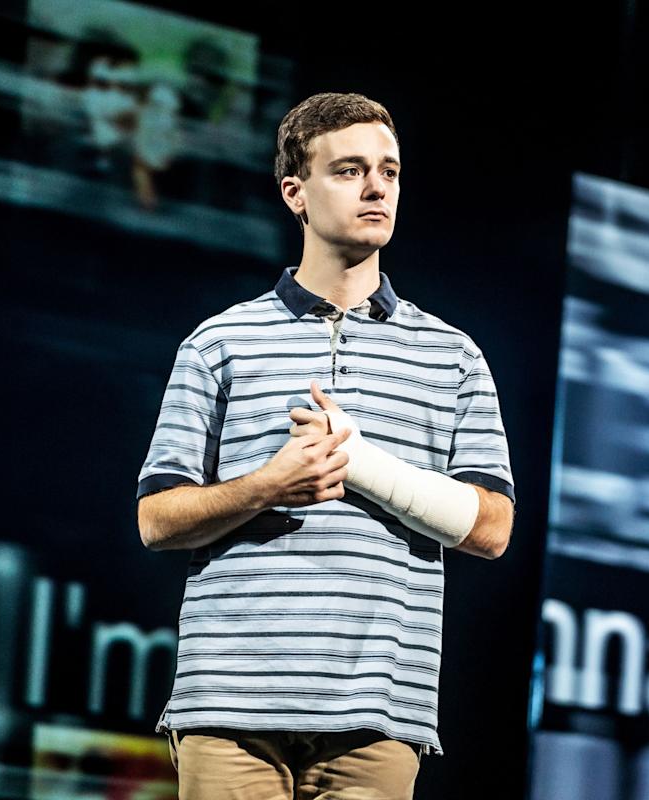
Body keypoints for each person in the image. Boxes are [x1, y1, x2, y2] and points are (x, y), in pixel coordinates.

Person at [136, 92, 516, 799]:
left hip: (378, 717)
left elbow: (493, 529)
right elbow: (156, 520)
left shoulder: (453, 356)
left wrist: (361, 463)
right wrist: (268, 485)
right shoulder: (219, 344)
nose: (376, 187)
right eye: (348, 171)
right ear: (295, 193)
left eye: (389, 171)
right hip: (229, 711)